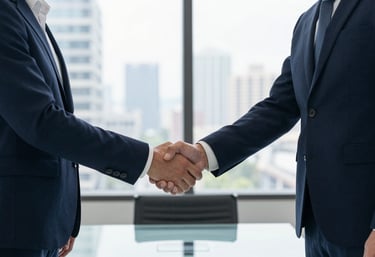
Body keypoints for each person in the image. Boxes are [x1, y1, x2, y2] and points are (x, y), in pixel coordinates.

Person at [155, 0, 375, 256]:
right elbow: (278, 108)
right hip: (316, 224)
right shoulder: (306, 22)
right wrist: (203, 154)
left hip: (364, 222)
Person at [0, 0, 202, 256]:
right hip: (15, 230)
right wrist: (150, 160)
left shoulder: (33, 16)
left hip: (41, 225)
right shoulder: (4, 13)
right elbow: (42, 122)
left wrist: (64, 219)